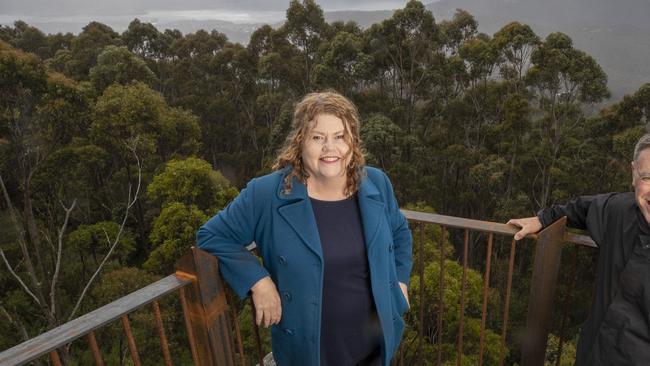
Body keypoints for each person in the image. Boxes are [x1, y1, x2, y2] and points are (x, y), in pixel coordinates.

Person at [197, 91, 413, 366]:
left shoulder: (377, 184)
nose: (330, 148)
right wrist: (258, 280)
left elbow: (399, 232)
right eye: (317, 137)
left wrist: (400, 284)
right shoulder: (267, 194)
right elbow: (211, 236)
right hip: (308, 352)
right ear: (300, 142)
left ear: (353, 142)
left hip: (374, 346)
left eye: (340, 136)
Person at [507, 133, 650, 365]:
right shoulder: (619, 211)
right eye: (647, 177)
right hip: (593, 354)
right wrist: (543, 219)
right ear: (634, 174)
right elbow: (581, 207)